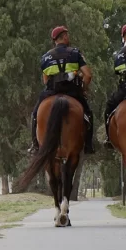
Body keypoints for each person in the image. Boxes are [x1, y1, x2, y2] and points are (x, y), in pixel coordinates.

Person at [28, 25, 96, 155]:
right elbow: (88, 75)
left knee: (36, 114)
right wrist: (83, 89)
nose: (68, 37)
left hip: (52, 90)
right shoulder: (75, 53)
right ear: (64, 37)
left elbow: (45, 80)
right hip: (72, 91)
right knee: (88, 113)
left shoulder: (45, 57)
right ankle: (88, 144)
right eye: (67, 35)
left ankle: (35, 145)